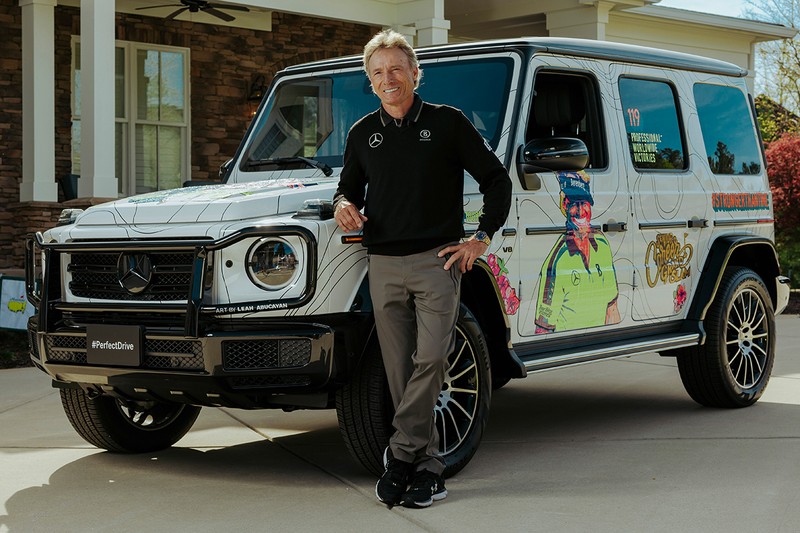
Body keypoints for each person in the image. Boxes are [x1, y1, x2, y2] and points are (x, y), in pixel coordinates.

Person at [333, 29, 512, 508]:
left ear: (415, 73)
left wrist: (480, 238)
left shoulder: (448, 123)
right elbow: (347, 188)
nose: (387, 78)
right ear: (370, 81)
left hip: (437, 262)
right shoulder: (361, 134)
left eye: (396, 68)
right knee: (398, 369)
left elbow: (496, 180)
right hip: (382, 265)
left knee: (431, 360)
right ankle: (427, 467)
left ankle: (398, 456)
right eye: (377, 72)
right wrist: (343, 204)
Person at [534, 171, 620, 334]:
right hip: (567, 343)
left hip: (598, 341)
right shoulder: (557, 261)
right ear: (565, 206)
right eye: (574, 204)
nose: (580, 211)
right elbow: (544, 328)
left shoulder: (602, 245)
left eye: (584, 203)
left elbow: (612, 308)